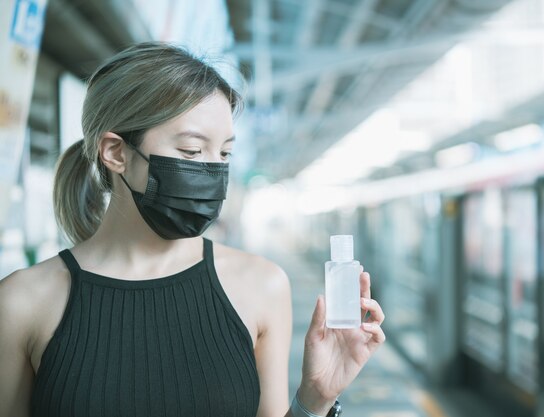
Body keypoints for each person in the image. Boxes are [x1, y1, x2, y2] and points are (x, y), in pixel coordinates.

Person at [0, 42, 386, 417]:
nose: (213, 170)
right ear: (116, 153)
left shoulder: (261, 285)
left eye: (224, 153)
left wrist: (314, 400)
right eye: (190, 151)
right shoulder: (23, 301)